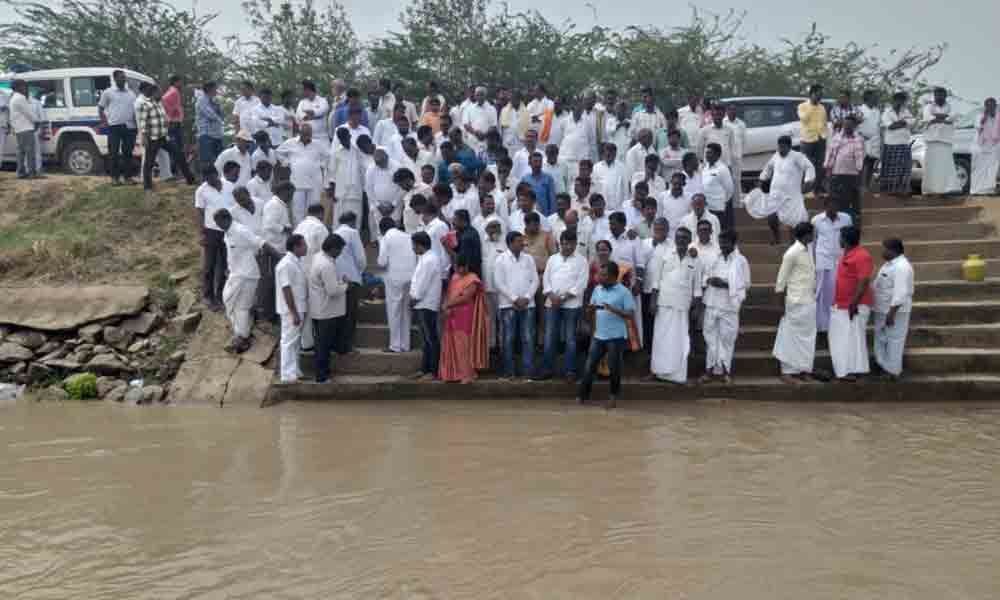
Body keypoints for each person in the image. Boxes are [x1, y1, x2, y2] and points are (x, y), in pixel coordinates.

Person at [576, 260, 634, 408]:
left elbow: (630, 314)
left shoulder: (624, 292)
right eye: (599, 274)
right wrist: (589, 312)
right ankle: (583, 397)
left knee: (614, 369)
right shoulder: (597, 290)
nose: (599, 277)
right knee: (589, 367)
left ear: (614, 276)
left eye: (603, 275)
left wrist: (614, 310)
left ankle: (613, 398)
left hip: (615, 337)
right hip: (598, 335)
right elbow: (591, 313)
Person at [650, 226, 701, 383]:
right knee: (660, 339)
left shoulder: (695, 259)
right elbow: (656, 281)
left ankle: (677, 376)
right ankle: (657, 372)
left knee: (680, 341)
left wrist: (697, 307)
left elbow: (697, 287)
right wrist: (653, 301)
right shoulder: (665, 254)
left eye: (685, 238)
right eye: (679, 237)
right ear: (675, 238)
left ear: (690, 240)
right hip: (664, 303)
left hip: (682, 306)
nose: (681, 240)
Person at [538, 230, 589, 381]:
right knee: (549, 337)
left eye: (569, 244)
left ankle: (570, 371)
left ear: (575, 244)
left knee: (570, 339)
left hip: (572, 305)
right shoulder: (553, 259)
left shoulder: (582, 261)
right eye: (564, 243)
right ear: (560, 243)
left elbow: (581, 284)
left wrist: (565, 297)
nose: (566, 247)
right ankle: (547, 369)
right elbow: (546, 280)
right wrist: (552, 296)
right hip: (552, 303)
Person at [700, 230, 750, 384]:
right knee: (710, 338)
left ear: (733, 243)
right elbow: (704, 276)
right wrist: (709, 280)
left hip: (729, 306)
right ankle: (709, 371)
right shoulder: (715, 257)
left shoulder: (741, 260)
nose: (722, 245)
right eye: (721, 242)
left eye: (725, 242)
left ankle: (726, 372)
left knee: (727, 339)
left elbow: (746, 284)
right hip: (712, 302)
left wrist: (726, 284)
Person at [745, 135, 815, 244]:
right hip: (775, 194)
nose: (781, 149)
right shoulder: (776, 156)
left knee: (793, 220)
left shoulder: (797, 156)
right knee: (771, 217)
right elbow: (767, 168)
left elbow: (809, 167)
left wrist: (808, 181)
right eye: (779, 147)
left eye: (783, 147)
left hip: (791, 195)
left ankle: (794, 242)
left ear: (789, 146)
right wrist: (762, 179)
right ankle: (776, 238)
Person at [773, 222, 817, 383]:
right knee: (790, 337)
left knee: (807, 338)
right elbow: (780, 283)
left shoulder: (809, 250)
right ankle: (787, 372)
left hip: (809, 301)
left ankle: (803, 370)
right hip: (794, 302)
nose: (814, 236)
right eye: (812, 233)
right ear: (806, 235)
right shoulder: (792, 253)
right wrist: (781, 307)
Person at [829, 226, 874, 382]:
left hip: (854, 305)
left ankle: (853, 371)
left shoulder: (862, 256)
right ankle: (848, 370)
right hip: (841, 305)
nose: (839, 240)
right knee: (843, 338)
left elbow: (863, 282)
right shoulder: (845, 254)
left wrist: (853, 304)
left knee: (853, 338)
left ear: (845, 239)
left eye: (840, 237)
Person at [494, 231, 540, 380]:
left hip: (528, 304)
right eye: (519, 241)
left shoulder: (529, 259)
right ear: (510, 243)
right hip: (508, 305)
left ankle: (528, 372)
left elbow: (535, 281)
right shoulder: (500, 259)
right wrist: (514, 298)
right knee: (508, 338)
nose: (523, 243)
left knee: (528, 338)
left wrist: (526, 298)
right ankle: (509, 372)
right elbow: (498, 282)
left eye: (522, 241)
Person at [439, 254, 489, 383]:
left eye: (463, 268)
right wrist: (446, 307)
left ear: (467, 266)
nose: (460, 270)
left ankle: (467, 374)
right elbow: (449, 294)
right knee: (451, 344)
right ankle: (451, 374)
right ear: (454, 267)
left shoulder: (473, 278)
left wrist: (447, 305)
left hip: (465, 315)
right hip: (451, 315)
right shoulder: (454, 277)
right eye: (457, 268)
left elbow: (466, 297)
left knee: (464, 345)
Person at [309, 232, 349, 383]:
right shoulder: (326, 264)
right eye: (339, 250)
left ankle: (323, 373)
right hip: (326, 311)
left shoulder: (319, 257)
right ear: (333, 248)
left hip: (320, 310)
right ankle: (322, 376)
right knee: (323, 346)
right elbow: (332, 291)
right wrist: (346, 285)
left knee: (321, 344)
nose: (340, 253)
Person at [873, 238, 914, 380]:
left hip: (895, 312)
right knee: (882, 339)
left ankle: (892, 372)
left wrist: (892, 314)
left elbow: (901, 292)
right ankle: (884, 368)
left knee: (894, 341)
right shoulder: (888, 265)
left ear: (893, 250)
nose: (882, 251)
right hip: (882, 309)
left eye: (884, 248)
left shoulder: (902, 266)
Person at [194, 165, 234, 310]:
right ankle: (207, 296)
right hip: (211, 231)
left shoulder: (230, 186)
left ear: (216, 174)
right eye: (206, 178)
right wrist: (202, 233)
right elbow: (199, 212)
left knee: (224, 265)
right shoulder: (201, 190)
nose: (209, 180)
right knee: (209, 266)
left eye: (211, 177)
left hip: (228, 230)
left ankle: (220, 296)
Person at [812, 195, 853, 333]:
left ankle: (837, 324)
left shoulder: (846, 219)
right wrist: (813, 262)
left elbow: (850, 239)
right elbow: (813, 242)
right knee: (822, 293)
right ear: (825, 207)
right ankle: (822, 325)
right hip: (823, 260)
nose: (833, 208)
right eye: (830, 206)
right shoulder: (816, 220)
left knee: (839, 291)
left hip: (841, 259)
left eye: (836, 205)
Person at [276, 123, 330, 225]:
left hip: (314, 182)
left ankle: (313, 232)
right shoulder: (290, 142)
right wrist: (287, 163)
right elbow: (278, 152)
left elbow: (328, 156)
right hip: (297, 182)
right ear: (299, 133)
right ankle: (299, 235)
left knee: (313, 209)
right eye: (304, 134)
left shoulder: (318, 144)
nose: (307, 136)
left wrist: (322, 165)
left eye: (309, 134)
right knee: (297, 211)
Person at [275, 234, 308, 383]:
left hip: (299, 307)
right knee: (288, 341)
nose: (306, 247)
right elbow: (286, 289)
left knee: (295, 341)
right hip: (291, 310)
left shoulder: (296, 262)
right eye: (303, 245)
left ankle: (295, 371)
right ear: (295, 247)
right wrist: (294, 313)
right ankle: (287, 375)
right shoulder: (286, 264)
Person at [260, 181, 295, 321]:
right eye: (290, 193)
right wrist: (285, 228)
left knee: (278, 282)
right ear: (283, 191)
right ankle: (268, 314)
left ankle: (274, 312)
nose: (291, 197)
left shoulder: (281, 204)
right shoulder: (273, 204)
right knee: (270, 282)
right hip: (273, 249)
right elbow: (269, 224)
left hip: (281, 247)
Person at [410, 231, 443, 380]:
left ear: (419, 245)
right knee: (426, 340)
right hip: (422, 303)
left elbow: (423, 283)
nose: (413, 248)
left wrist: (414, 298)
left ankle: (433, 371)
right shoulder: (426, 258)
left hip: (426, 303)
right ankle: (425, 369)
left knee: (431, 339)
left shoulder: (430, 260)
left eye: (414, 245)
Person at [333, 211, 365, 354]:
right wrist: (360, 272)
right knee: (350, 314)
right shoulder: (352, 232)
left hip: (337, 277)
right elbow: (360, 259)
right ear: (353, 221)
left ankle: (337, 344)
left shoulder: (334, 232)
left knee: (339, 313)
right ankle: (347, 346)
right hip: (351, 278)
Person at [98, 70, 138, 184]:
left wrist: (137, 126)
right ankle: (114, 178)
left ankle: (128, 178)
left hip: (130, 127)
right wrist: (105, 123)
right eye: (121, 77)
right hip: (114, 127)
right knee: (113, 153)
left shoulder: (131, 93)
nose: (124, 79)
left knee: (128, 153)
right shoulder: (108, 92)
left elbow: (135, 111)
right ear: (115, 79)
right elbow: (100, 108)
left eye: (124, 77)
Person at [825, 114, 865, 226]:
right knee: (836, 200)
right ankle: (837, 223)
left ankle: (853, 225)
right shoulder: (836, 138)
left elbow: (861, 158)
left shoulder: (859, 139)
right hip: (837, 173)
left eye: (850, 125)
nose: (847, 127)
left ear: (854, 126)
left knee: (853, 201)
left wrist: (860, 176)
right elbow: (830, 154)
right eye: (845, 124)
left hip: (852, 174)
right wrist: (828, 171)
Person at [922, 87, 960, 196]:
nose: (939, 97)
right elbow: (927, 118)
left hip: (945, 140)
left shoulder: (951, 107)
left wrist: (937, 118)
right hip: (931, 140)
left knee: (945, 167)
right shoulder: (928, 107)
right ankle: (929, 190)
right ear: (934, 95)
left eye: (941, 95)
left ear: (945, 96)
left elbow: (953, 118)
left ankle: (945, 189)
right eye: (937, 95)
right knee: (931, 166)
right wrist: (943, 118)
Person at [480, 215, 507, 351]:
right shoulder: (482, 242)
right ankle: (491, 345)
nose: (495, 229)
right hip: (487, 286)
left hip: (502, 288)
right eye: (492, 227)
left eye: (497, 226)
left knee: (502, 317)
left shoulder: (504, 243)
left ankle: (503, 345)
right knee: (489, 317)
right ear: (486, 229)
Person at [880, 92, 916, 195]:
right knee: (891, 169)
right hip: (891, 144)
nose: (900, 102)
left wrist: (901, 123)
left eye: (902, 100)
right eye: (898, 100)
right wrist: (903, 122)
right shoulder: (887, 112)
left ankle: (903, 189)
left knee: (904, 168)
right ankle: (890, 190)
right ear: (894, 100)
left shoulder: (906, 111)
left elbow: (912, 122)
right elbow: (890, 126)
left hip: (904, 143)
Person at [366, 147, 402, 240]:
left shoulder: (397, 167)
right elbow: (368, 189)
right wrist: (378, 205)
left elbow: (401, 188)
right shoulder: (371, 168)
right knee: (380, 233)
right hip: (378, 207)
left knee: (395, 232)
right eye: (377, 163)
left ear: (386, 156)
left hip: (395, 206)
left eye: (381, 162)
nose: (379, 165)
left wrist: (393, 204)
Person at [798, 84, 828, 192]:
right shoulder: (802, 106)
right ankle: (806, 189)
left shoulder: (822, 107)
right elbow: (804, 119)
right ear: (811, 94)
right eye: (818, 95)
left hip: (820, 139)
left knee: (819, 165)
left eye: (821, 95)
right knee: (806, 165)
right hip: (807, 140)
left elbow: (824, 122)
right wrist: (812, 105)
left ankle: (816, 188)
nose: (820, 97)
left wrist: (824, 135)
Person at [701, 143, 734, 231]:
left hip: (718, 208)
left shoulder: (723, 169)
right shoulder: (705, 168)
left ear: (717, 154)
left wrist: (721, 202)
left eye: (709, 153)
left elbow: (729, 190)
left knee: (718, 232)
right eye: (706, 153)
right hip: (706, 208)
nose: (707, 155)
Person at [9, 80, 38, 179]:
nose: (26, 88)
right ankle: (32, 173)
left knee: (21, 152)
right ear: (19, 87)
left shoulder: (13, 98)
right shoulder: (20, 98)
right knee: (30, 151)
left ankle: (21, 172)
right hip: (26, 127)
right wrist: (36, 121)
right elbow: (29, 113)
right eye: (24, 86)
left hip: (19, 128)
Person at [972, 97, 1000, 196]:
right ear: (985, 106)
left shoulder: (999, 116)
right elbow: (978, 127)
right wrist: (985, 117)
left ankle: (989, 189)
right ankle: (976, 190)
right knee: (979, 169)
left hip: (995, 145)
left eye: (993, 105)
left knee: (992, 168)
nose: (991, 107)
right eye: (988, 105)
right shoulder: (979, 116)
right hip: (982, 145)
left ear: (995, 106)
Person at [196, 81, 225, 169]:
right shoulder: (201, 100)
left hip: (217, 134)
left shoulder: (214, 100)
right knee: (207, 160)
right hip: (206, 134)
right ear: (209, 89)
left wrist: (219, 114)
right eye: (215, 88)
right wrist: (218, 116)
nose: (216, 90)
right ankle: (206, 180)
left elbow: (221, 114)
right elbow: (211, 115)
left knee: (219, 159)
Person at [857, 90, 881, 190]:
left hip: (874, 141)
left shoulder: (877, 111)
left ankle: (867, 186)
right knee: (862, 165)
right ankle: (860, 186)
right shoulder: (859, 109)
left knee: (871, 164)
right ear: (867, 98)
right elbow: (855, 126)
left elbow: (878, 126)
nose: (876, 99)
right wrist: (861, 135)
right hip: (862, 140)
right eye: (874, 97)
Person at [520, 151, 557, 217]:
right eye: (535, 161)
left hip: (545, 216)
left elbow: (552, 200)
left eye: (540, 161)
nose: (538, 164)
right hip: (528, 216)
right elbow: (522, 198)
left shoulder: (548, 178)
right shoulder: (525, 179)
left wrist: (551, 217)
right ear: (529, 163)